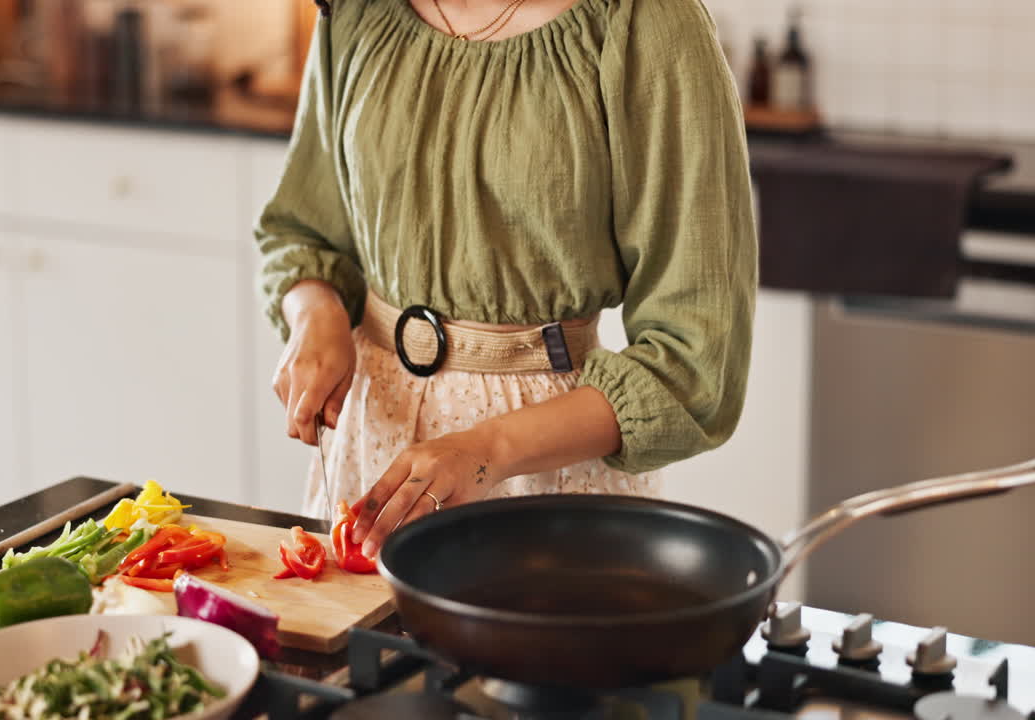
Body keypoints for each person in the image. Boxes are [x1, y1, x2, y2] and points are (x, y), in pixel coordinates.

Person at [255, 0, 757, 558]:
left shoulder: (649, 22)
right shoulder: (355, 11)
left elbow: (693, 362)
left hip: (547, 476)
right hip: (368, 447)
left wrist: (487, 449)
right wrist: (316, 313)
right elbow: (300, 231)